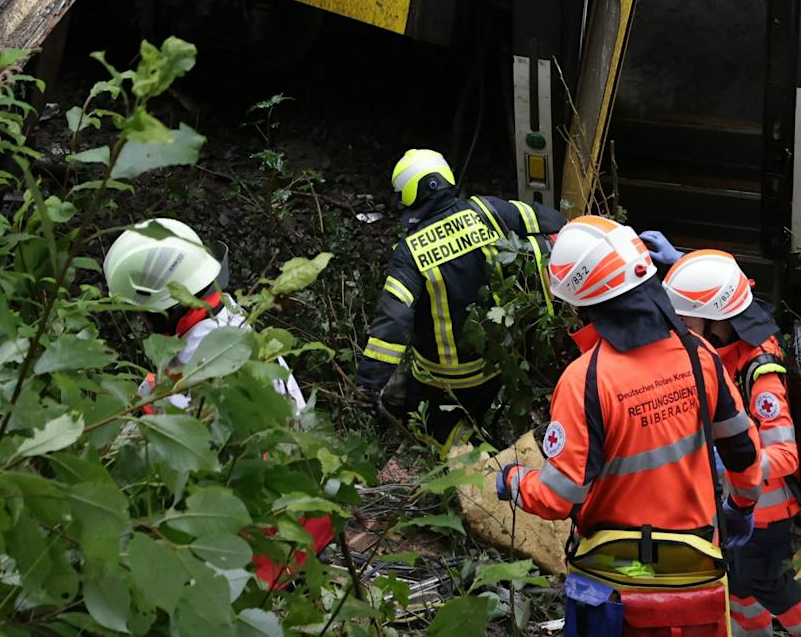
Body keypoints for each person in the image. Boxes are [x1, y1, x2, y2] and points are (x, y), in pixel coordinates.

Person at [494, 216, 764, 634]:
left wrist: (512, 480)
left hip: (613, 589)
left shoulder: (585, 380)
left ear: (581, 303)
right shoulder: (699, 355)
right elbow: (742, 451)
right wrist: (742, 507)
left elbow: (557, 498)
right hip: (695, 576)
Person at [103, 217, 332, 588]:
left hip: (268, 553)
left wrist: (144, 407)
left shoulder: (196, 367)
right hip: (310, 518)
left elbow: (169, 455)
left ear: (160, 309)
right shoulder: (230, 317)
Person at [655, 238, 801, 637]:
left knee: (774, 589)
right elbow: (727, 291)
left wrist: (729, 459)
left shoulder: (761, 373)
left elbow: (785, 454)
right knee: (740, 589)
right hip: (738, 508)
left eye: (689, 323)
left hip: (763, 515)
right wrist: (683, 264)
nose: (683, 333)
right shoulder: (739, 334)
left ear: (717, 321)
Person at [355, 146, 561, 444]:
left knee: (424, 423)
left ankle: (477, 454)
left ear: (409, 195)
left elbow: (394, 321)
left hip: (446, 378)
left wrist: (368, 383)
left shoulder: (409, 253)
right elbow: (552, 222)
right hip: (500, 361)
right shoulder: (488, 210)